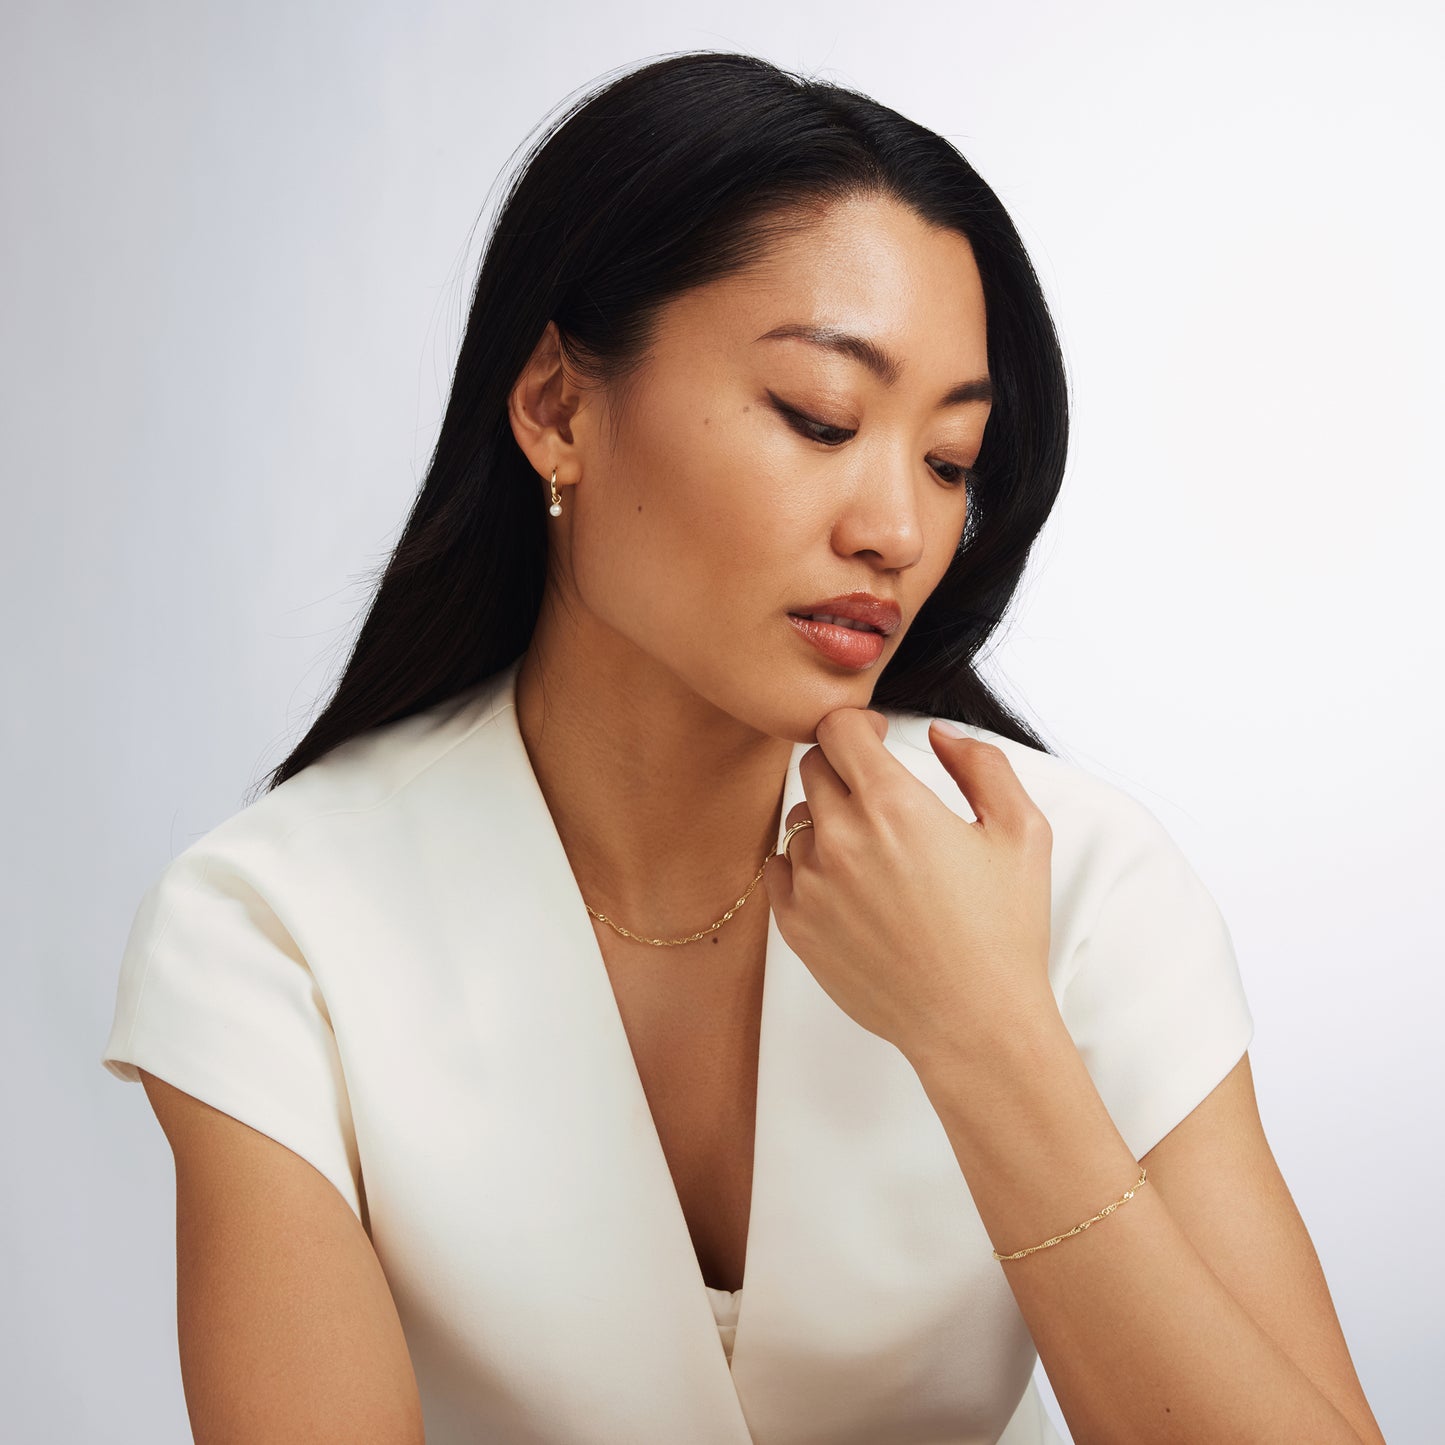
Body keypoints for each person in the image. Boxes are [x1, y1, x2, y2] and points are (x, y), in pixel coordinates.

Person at [99, 50, 1385, 1445]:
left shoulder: (1074, 880)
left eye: (949, 462)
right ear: (557, 407)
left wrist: (987, 1036)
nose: (896, 530)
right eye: (819, 418)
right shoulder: (276, 932)